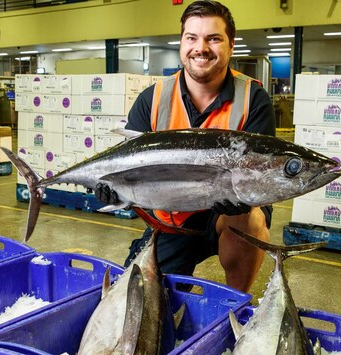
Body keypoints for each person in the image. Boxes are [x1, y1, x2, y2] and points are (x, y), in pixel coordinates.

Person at [95, 0, 276, 293]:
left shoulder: (253, 99)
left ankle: (236, 303)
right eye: (192, 38)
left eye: (213, 38)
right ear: (181, 43)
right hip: (170, 218)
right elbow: (129, 169)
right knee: (138, 298)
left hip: (228, 215)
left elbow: (262, 174)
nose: (201, 48)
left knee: (249, 221)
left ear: (231, 44)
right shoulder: (153, 98)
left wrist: (242, 199)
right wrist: (114, 190)